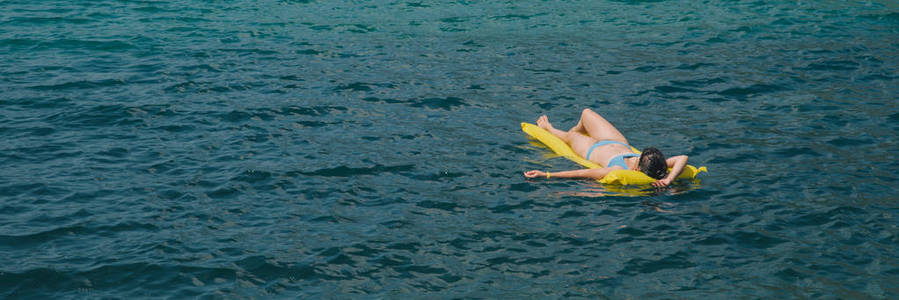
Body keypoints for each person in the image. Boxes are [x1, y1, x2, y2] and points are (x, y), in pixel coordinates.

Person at [523, 108, 688, 187]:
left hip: (592, 148)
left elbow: (582, 173)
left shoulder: (616, 169)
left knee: (571, 137)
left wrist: (546, 174)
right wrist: (669, 179)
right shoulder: (654, 163)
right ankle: (577, 128)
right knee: (586, 113)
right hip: (617, 141)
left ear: (638, 170)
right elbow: (683, 158)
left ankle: (549, 128)